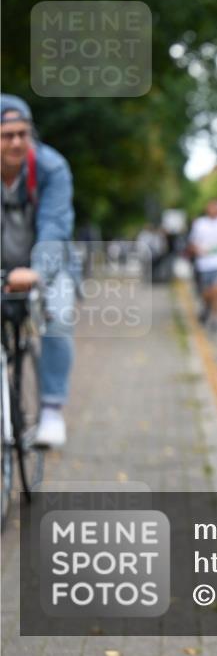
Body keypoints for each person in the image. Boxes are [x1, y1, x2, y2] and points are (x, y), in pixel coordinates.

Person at [0, 94, 76, 448]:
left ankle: (51, 410)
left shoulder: (51, 167)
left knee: (57, 316)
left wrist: (36, 271)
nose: (16, 142)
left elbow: (54, 226)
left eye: (22, 133)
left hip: (48, 264)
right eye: (6, 135)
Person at [188, 200, 217, 332]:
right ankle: (206, 307)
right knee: (207, 293)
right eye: (212, 207)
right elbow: (192, 243)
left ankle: (216, 318)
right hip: (204, 264)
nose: (214, 210)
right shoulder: (200, 224)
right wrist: (198, 250)